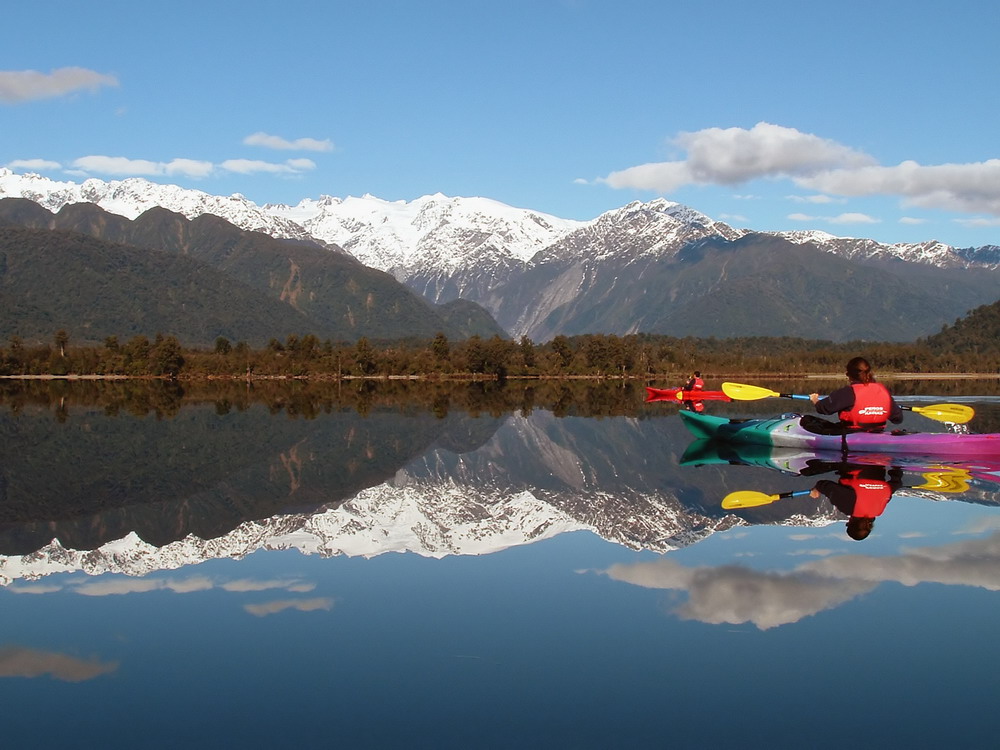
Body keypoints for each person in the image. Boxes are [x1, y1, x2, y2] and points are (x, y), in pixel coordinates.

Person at [805, 357, 903, 434]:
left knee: (807, 420)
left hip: (852, 433)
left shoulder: (848, 392)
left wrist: (815, 400)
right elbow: (897, 419)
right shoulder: (883, 391)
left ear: (849, 375)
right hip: (878, 432)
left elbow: (824, 409)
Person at [809, 463, 903, 541]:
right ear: (850, 522)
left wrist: (896, 468)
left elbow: (896, 484)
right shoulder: (848, 508)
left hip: (879, 464)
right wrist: (817, 488)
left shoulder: (878, 509)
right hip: (854, 462)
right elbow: (827, 486)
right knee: (807, 471)